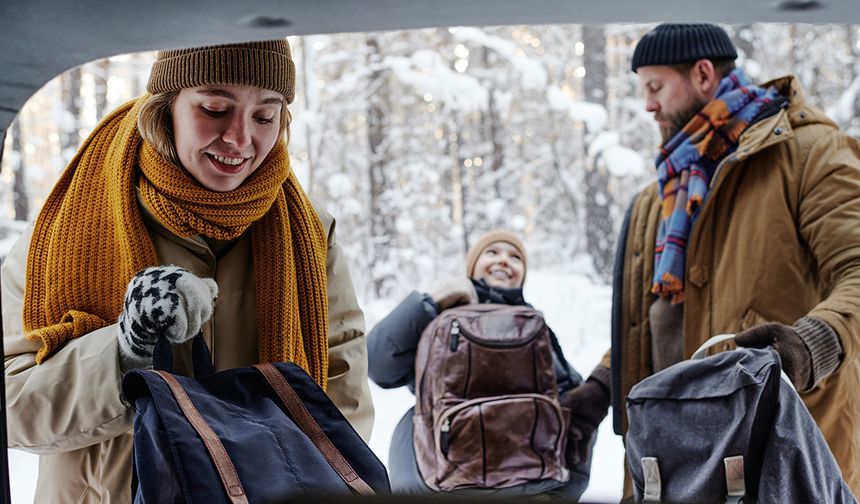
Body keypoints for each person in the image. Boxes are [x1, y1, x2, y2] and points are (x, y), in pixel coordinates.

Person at [2, 39, 373, 503]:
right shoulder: (60, 231)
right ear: (165, 108)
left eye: (265, 116)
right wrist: (124, 353)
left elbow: (342, 399)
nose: (240, 139)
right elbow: (13, 408)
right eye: (215, 109)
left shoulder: (310, 233)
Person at [604, 23, 860, 498]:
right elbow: (651, 321)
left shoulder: (811, 155)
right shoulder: (658, 195)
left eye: (655, 87)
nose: (647, 105)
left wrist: (812, 343)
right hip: (674, 469)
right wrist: (599, 384)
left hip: (781, 462)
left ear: (703, 74)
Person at [367, 229, 603, 499]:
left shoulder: (533, 327)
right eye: (492, 252)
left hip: (522, 482)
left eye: (515, 257)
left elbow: (569, 400)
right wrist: (429, 303)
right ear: (472, 265)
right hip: (446, 478)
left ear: (523, 275)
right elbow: (378, 364)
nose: (503, 260)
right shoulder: (441, 315)